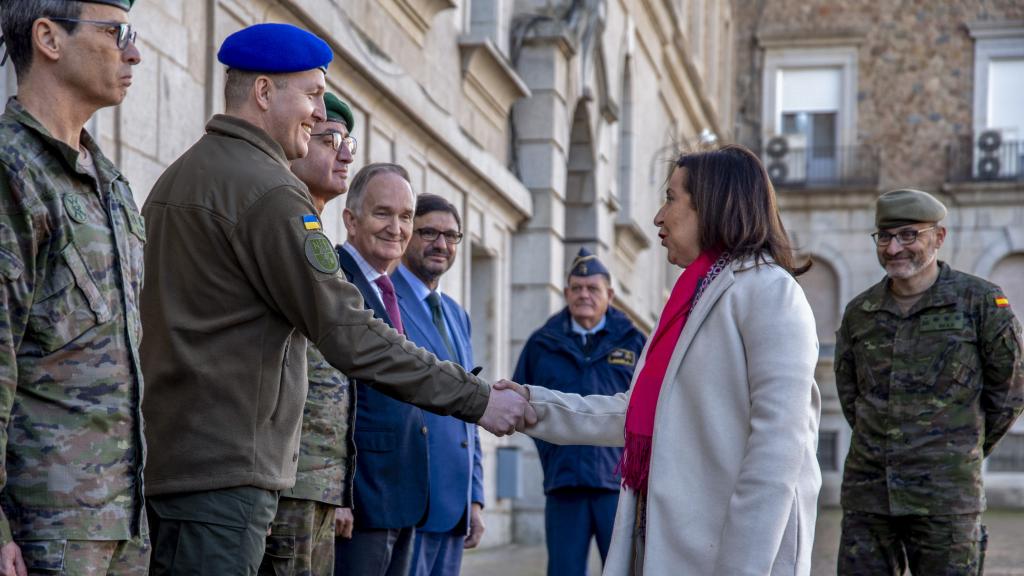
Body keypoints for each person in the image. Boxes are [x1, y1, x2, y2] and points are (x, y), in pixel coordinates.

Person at [139, 23, 532, 575]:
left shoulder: (179, 179)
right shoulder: (270, 191)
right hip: (228, 475)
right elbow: (349, 331)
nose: (318, 112)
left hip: (174, 464)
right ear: (263, 93)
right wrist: (476, 398)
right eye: (313, 95)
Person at [500, 144, 821, 575]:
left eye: (671, 198)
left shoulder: (770, 293)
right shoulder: (690, 300)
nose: (658, 216)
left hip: (730, 559)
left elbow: (777, 452)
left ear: (712, 205)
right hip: (669, 545)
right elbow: (635, 415)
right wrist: (530, 405)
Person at [0, 1, 147, 574]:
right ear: (48, 39)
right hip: (43, 526)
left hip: (121, 523)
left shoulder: (107, 180)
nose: (133, 52)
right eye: (117, 33)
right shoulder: (13, 170)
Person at [834, 188, 1024, 575]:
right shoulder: (861, 312)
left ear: (938, 237)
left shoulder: (980, 303)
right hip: (870, 497)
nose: (893, 248)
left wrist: (959, 449)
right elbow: (851, 394)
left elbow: (1010, 390)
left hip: (946, 499)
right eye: (884, 237)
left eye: (908, 235)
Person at [258, 92, 357, 576]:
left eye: (348, 141)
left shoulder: (319, 241)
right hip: (280, 482)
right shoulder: (277, 228)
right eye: (330, 139)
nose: (345, 153)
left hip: (318, 482)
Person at [513, 247, 645, 576]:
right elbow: (517, 405)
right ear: (566, 291)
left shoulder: (633, 343)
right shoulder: (542, 342)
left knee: (626, 570)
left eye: (593, 288)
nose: (584, 294)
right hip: (564, 484)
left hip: (617, 486)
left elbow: (649, 408)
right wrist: (550, 448)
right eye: (577, 288)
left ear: (610, 294)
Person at [332, 163, 428, 576]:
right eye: (382, 213)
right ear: (351, 221)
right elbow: (326, 396)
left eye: (406, 216)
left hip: (399, 494)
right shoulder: (335, 281)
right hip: (360, 501)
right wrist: (339, 493)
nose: (397, 228)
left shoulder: (388, 288)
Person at [394, 194, 485, 576]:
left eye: (451, 236)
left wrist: (475, 499)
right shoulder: (384, 299)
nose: (442, 245)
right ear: (407, 234)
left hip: (453, 507)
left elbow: (470, 408)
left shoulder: (457, 314)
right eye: (428, 232)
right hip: (405, 500)